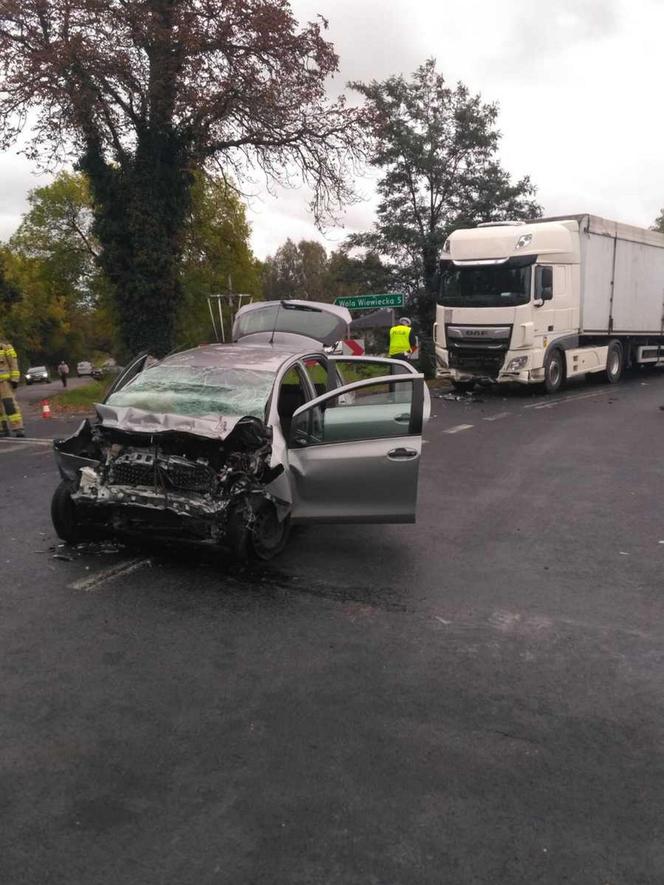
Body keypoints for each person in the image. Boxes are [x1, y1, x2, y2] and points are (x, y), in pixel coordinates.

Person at [0, 336, 24, 438]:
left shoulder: (6, 348)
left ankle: (18, 428)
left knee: (9, 405)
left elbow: (14, 364)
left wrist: (15, 379)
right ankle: (2, 429)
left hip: (5, 383)